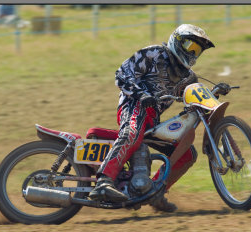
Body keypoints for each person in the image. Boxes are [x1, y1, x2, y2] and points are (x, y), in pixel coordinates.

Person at [90, 24, 219, 212]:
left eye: (197, 50)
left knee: (188, 154)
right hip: (133, 105)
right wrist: (142, 94)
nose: (193, 53)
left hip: (154, 119)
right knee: (132, 132)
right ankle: (104, 181)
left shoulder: (189, 78)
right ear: (178, 41)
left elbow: (195, 101)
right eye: (190, 46)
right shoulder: (154, 54)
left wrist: (214, 93)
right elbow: (121, 74)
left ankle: (156, 192)